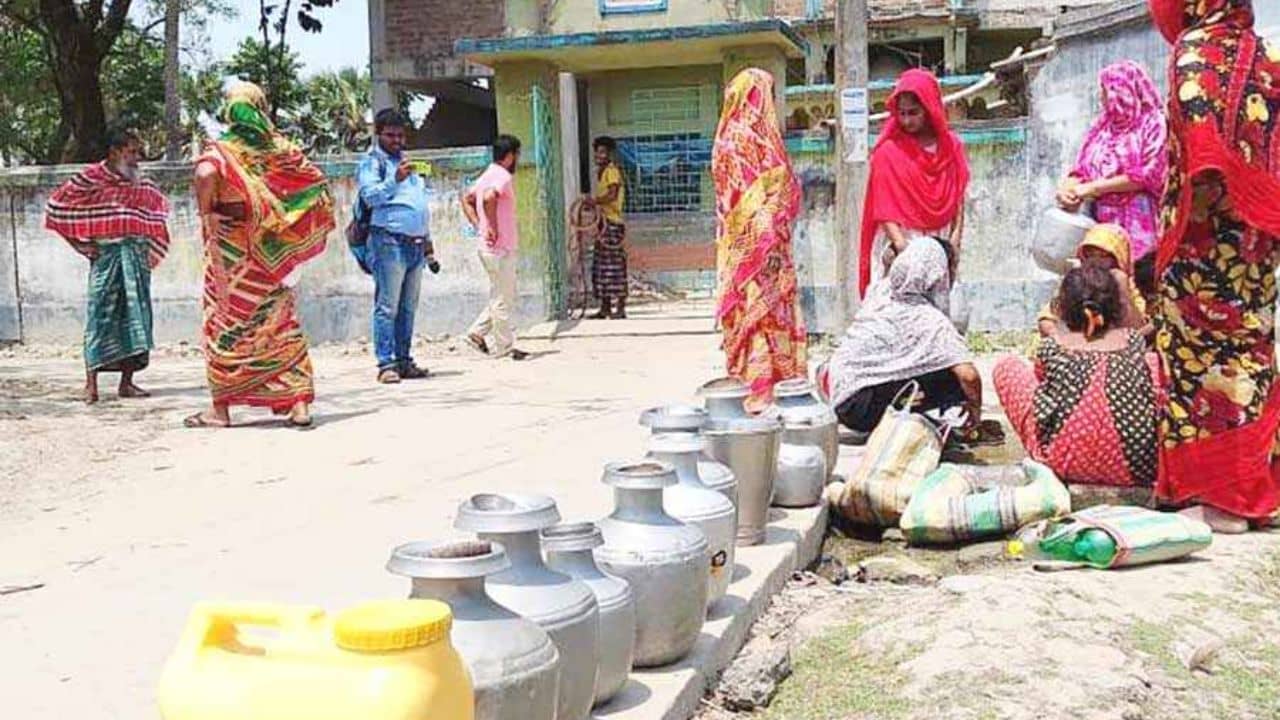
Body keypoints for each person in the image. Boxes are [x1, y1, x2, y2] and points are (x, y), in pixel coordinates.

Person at [1149, 0, 1280, 532]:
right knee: (1252, 349)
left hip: (1202, 243)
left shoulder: (1193, 51)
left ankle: (1221, 498)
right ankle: (1257, 491)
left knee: (1195, 364)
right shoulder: (1266, 55)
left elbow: (1200, 150)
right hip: (1258, 240)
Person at [185, 82, 335, 429]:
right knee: (278, 322)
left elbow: (205, 173)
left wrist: (206, 211)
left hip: (231, 254)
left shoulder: (222, 152)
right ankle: (298, 403)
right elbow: (315, 185)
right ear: (262, 107)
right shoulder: (282, 150)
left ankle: (220, 410)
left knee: (225, 323)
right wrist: (281, 223)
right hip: (270, 255)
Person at [996, 264, 1158, 488]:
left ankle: (1056, 444)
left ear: (1062, 308)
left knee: (1007, 366)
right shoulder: (1133, 341)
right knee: (1153, 365)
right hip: (1137, 469)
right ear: (1116, 307)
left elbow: (1042, 383)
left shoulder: (1053, 347)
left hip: (1061, 463)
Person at [44, 126, 171, 404]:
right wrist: (78, 245)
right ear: (114, 152)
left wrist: (148, 249)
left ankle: (127, 383)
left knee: (135, 319)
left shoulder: (142, 183)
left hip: (136, 259)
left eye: (139, 152)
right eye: (132, 151)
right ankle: (91, 385)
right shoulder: (91, 178)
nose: (137, 158)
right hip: (107, 257)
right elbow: (55, 208)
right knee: (100, 316)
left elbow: (158, 215)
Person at [827, 238, 990, 443]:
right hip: (862, 410)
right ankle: (910, 422)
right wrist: (976, 410)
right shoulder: (926, 318)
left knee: (934, 366)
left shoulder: (882, 291)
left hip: (842, 397)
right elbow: (969, 376)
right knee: (955, 382)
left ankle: (909, 414)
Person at [710, 68, 807, 412]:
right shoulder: (753, 141)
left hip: (736, 252)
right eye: (768, 93)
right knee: (764, 317)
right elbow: (762, 197)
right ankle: (768, 392)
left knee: (750, 318)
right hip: (764, 252)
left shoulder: (723, 139)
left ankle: (749, 390)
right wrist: (765, 245)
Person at [859, 68, 970, 296]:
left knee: (939, 315)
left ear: (929, 109)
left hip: (940, 243)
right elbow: (883, 208)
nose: (906, 120)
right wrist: (903, 250)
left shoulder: (951, 148)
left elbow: (958, 196)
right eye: (902, 113)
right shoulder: (887, 153)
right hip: (901, 243)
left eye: (913, 112)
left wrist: (955, 241)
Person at [1056, 61, 1167, 271]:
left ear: (1122, 91)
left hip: (1140, 224)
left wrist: (1094, 188)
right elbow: (1082, 168)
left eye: (1106, 91)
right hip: (1100, 226)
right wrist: (1068, 188)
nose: (1102, 98)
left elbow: (1149, 175)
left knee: (1137, 282)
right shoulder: (1103, 127)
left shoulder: (1154, 123)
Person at [358, 108, 436, 384]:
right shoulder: (372, 163)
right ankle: (386, 363)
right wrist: (395, 180)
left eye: (400, 135)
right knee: (387, 306)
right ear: (378, 134)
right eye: (390, 135)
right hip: (388, 241)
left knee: (407, 308)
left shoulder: (406, 162)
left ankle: (404, 361)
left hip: (415, 244)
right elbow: (370, 197)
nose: (396, 140)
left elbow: (419, 204)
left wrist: (428, 244)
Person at [462, 135, 529, 361]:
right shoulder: (502, 176)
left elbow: (467, 199)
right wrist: (490, 225)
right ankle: (505, 347)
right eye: (517, 155)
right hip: (500, 248)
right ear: (510, 156)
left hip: (489, 247)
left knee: (500, 294)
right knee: (503, 298)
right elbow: (490, 197)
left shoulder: (487, 174)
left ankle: (477, 333)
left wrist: (479, 224)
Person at [1037, 224, 1148, 337]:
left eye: (1103, 256)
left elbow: (1138, 332)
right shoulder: (1077, 282)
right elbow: (1047, 319)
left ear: (1119, 258)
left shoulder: (1131, 288)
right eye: (1090, 255)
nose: (1096, 262)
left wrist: (1122, 289)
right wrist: (1062, 341)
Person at [585, 136, 628, 319]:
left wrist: (594, 201)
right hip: (604, 223)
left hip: (612, 224)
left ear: (609, 154)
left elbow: (612, 195)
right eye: (597, 152)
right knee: (601, 266)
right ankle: (605, 308)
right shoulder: (601, 172)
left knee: (614, 266)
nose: (598, 155)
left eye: (602, 152)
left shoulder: (611, 171)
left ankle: (619, 308)